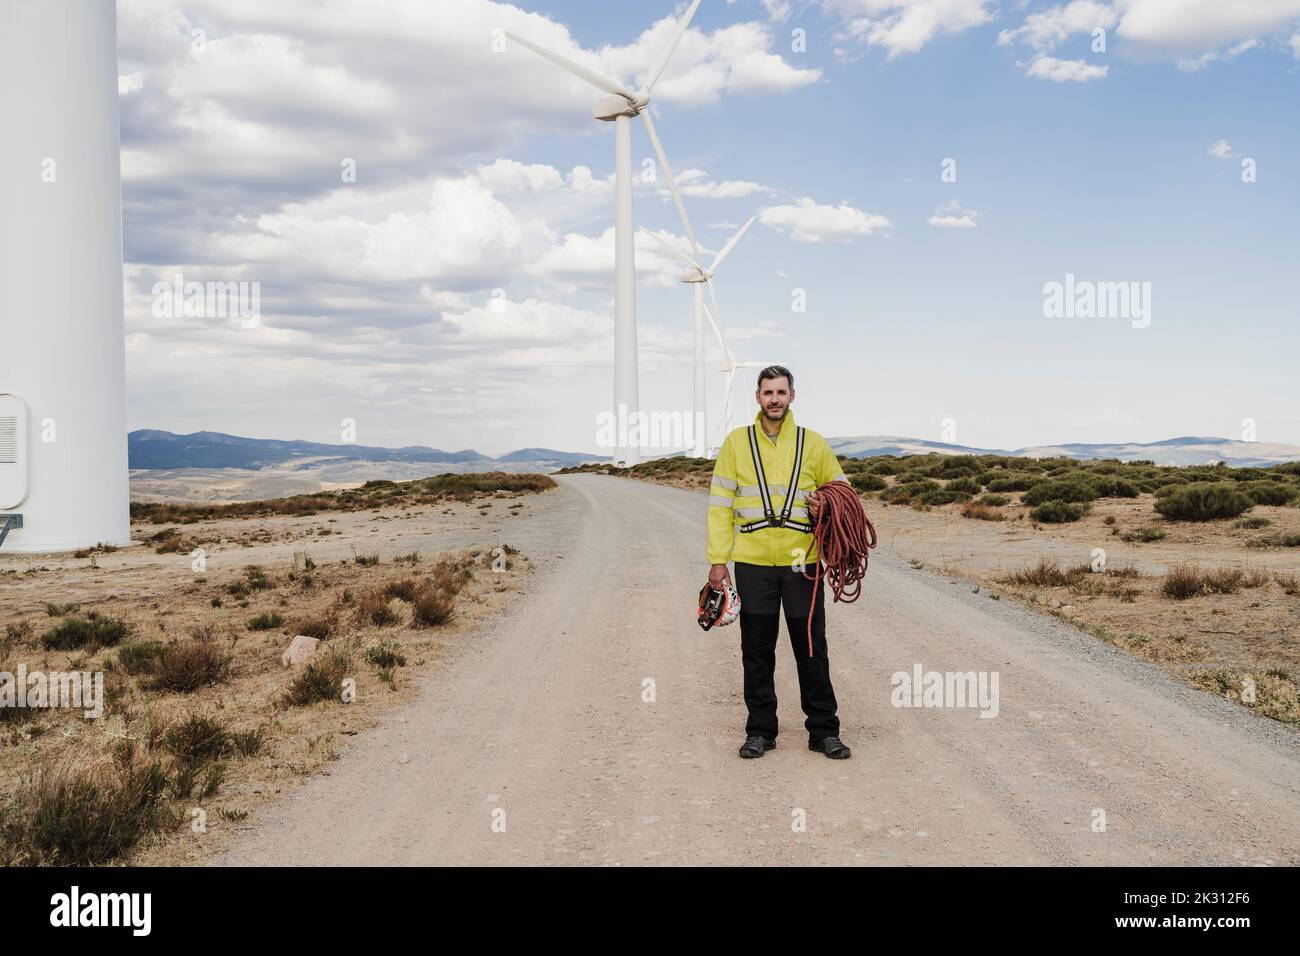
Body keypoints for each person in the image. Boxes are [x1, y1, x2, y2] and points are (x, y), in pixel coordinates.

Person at [706, 365, 852, 759]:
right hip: (752, 563)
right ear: (757, 397)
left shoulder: (813, 443)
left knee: (810, 647)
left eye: (781, 392)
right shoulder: (736, 444)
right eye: (767, 392)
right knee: (756, 649)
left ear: (792, 396)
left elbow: (844, 491)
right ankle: (760, 731)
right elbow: (719, 508)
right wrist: (718, 561)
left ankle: (823, 731)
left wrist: (828, 501)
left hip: (803, 562)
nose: (774, 399)